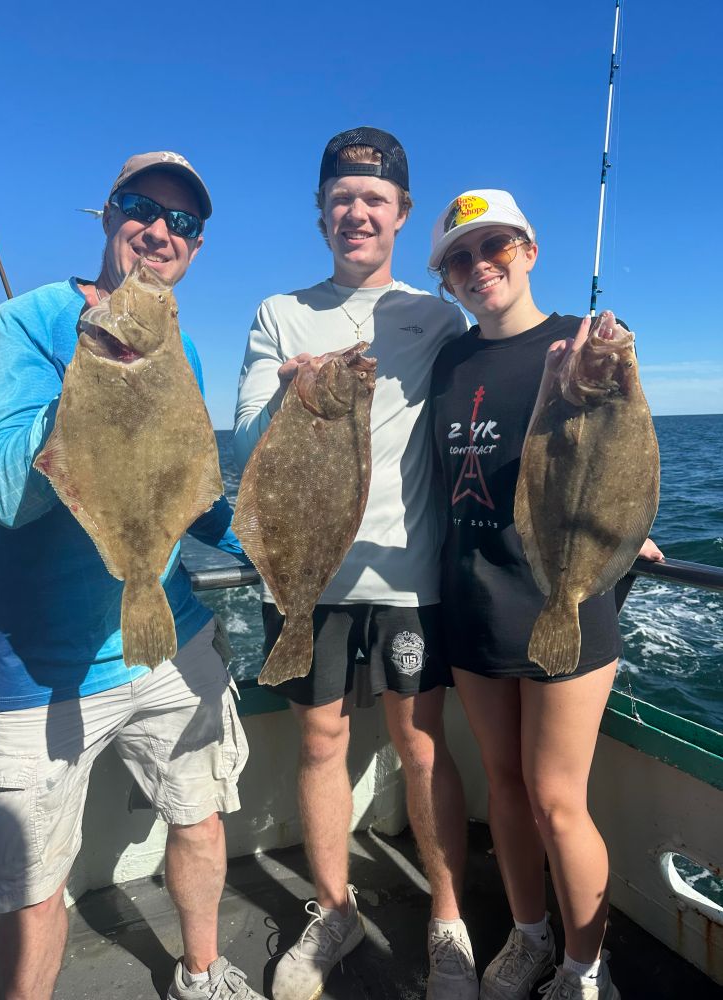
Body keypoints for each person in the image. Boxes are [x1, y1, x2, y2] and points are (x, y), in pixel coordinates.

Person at [0, 152, 265, 1000]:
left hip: (171, 637)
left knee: (200, 816)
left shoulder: (183, 350)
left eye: (184, 222)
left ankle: (202, 972)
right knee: (31, 891)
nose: (161, 230)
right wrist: (90, 390)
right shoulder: (25, 326)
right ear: (107, 214)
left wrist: (268, 547)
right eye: (144, 206)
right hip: (35, 667)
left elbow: (195, 494)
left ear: (196, 249)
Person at [234, 127, 477, 1000]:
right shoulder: (279, 314)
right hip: (305, 573)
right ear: (320, 214)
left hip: (408, 574)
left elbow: (479, 423)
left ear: (403, 214)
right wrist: (292, 394)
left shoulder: (435, 316)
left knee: (421, 746)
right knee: (320, 740)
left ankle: (447, 921)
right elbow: (246, 440)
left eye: (374, 199)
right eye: (341, 198)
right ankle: (333, 911)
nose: (357, 212)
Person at [427, 189, 664, 1000]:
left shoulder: (579, 344)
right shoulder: (450, 363)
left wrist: (630, 533)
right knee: (506, 786)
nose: (478, 265)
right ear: (448, 279)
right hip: (475, 601)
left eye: (495, 245)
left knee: (560, 799)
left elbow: (620, 454)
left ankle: (584, 966)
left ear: (528, 249)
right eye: (460, 257)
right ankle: (529, 937)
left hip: (565, 595)